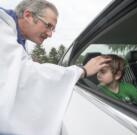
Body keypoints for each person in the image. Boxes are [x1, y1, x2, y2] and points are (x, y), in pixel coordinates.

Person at [0, 0, 110, 134]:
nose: (50, 34)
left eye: (53, 29)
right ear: (28, 16)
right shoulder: (2, 26)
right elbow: (28, 73)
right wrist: (83, 70)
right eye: (48, 26)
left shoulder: (16, 38)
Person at [97, 54, 137, 118]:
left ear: (117, 75)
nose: (98, 75)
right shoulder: (99, 91)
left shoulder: (129, 88)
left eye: (102, 71)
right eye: (98, 71)